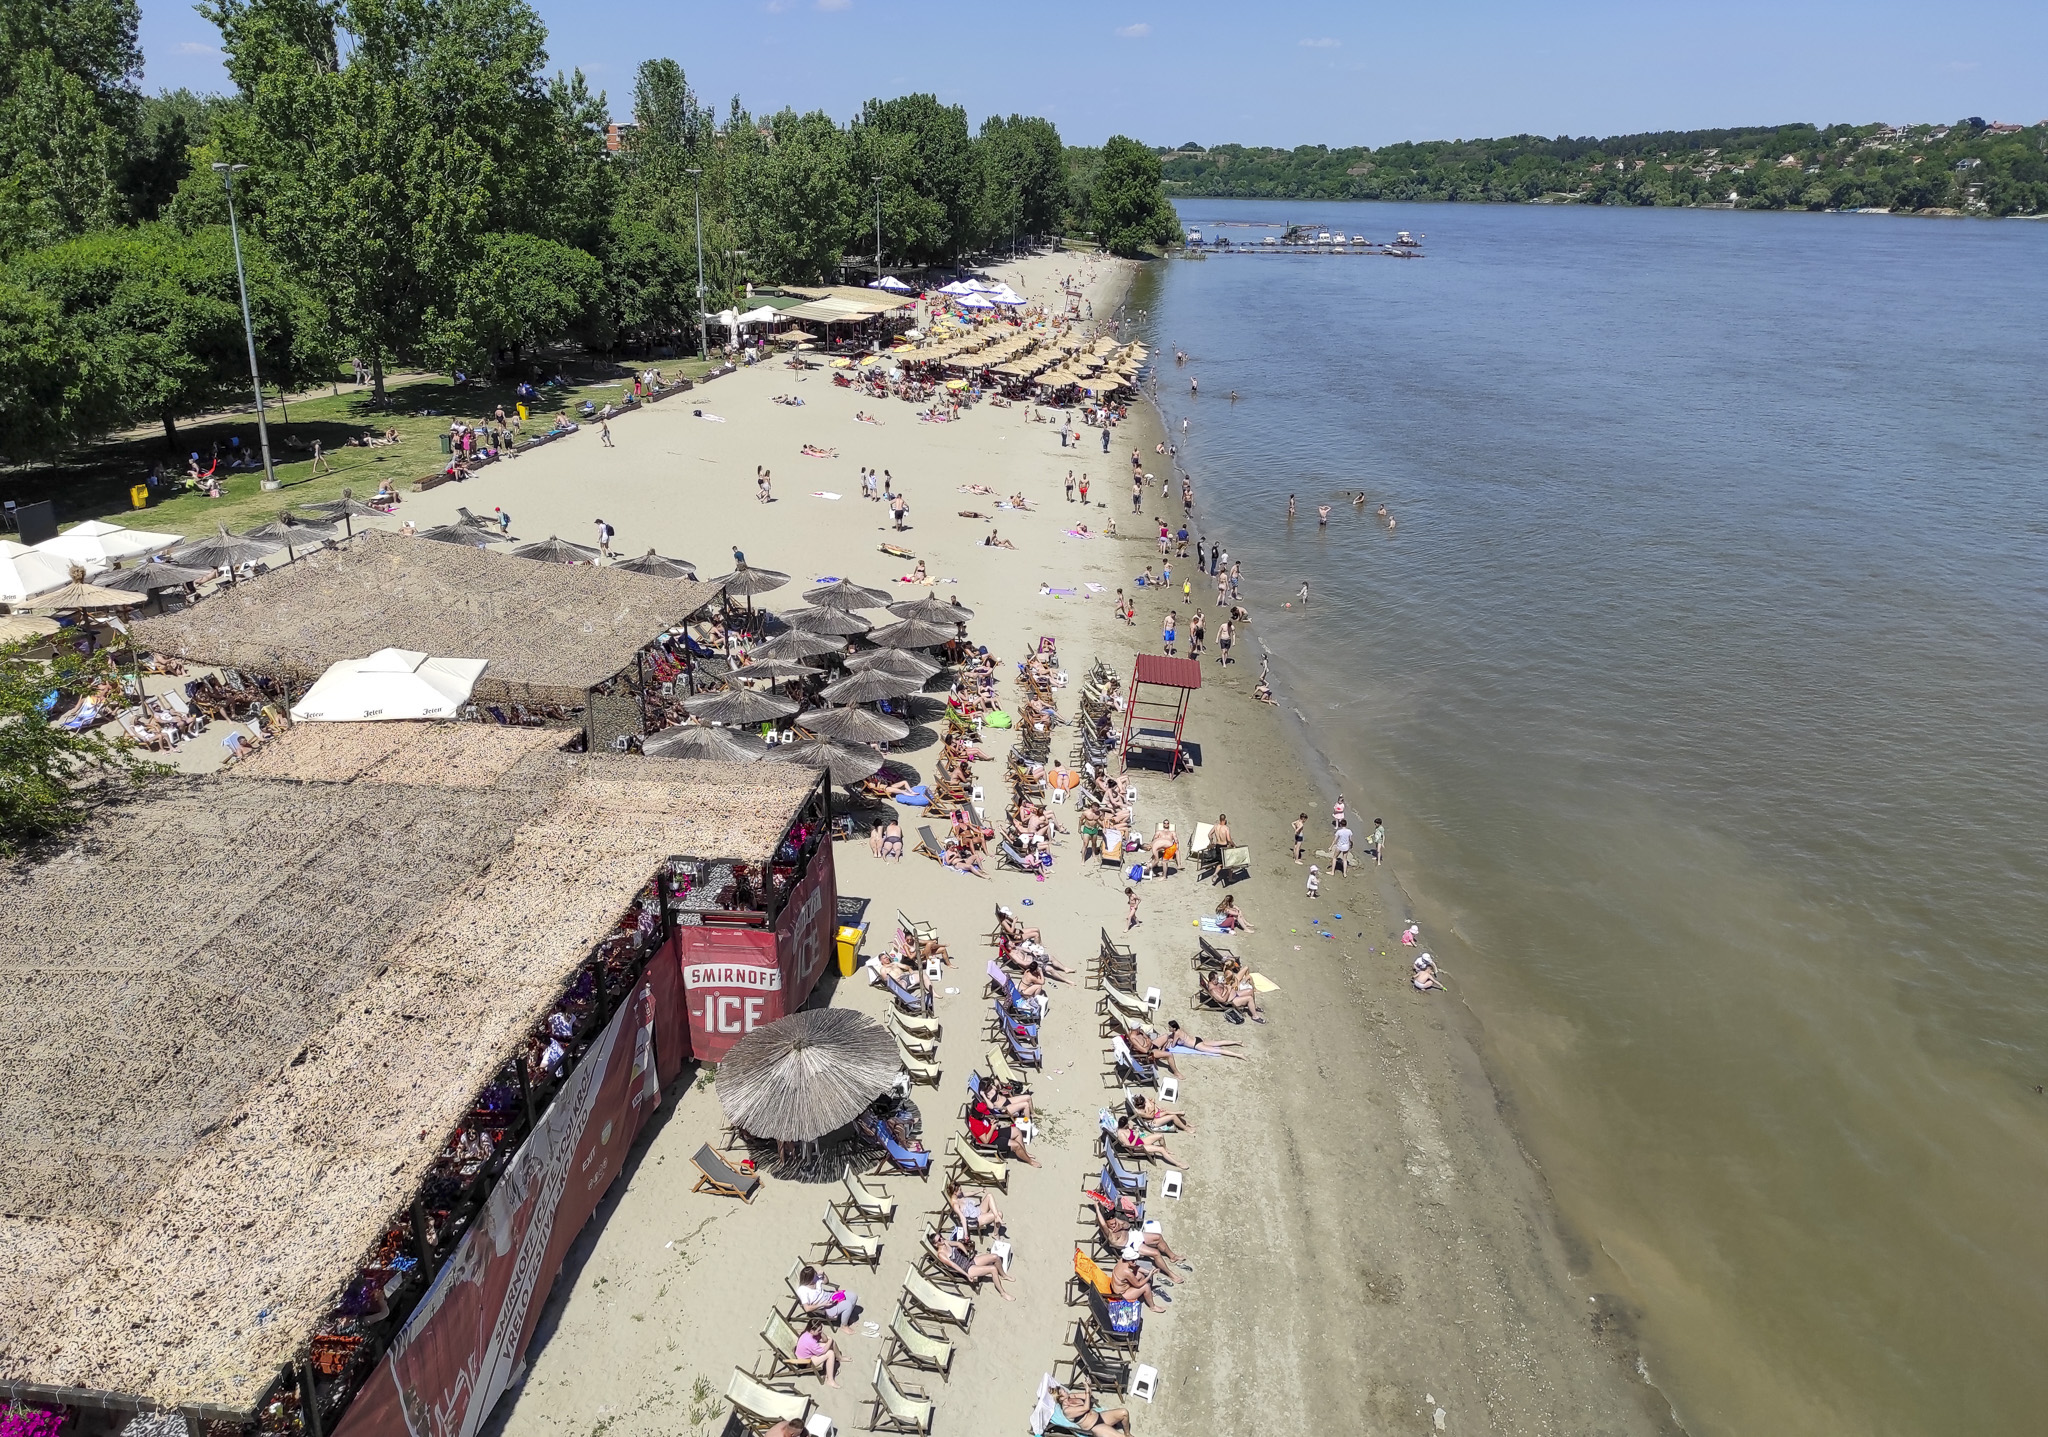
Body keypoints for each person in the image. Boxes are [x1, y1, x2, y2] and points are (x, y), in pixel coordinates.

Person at [932, 1229, 1013, 1298]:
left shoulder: (945, 1242)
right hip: (967, 1269)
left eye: (941, 1237)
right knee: (993, 1269)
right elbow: (954, 1266)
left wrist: (966, 1253)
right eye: (939, 1240)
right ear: (935, 1244)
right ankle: (1003, 1293)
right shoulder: (941, 1255)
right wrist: (967, 1275)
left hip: (969, 1259)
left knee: (995, 1257)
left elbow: (958, 1244)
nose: (942, 1239)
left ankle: (1004, 1275)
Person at [1050, 1377, 1134, 1437]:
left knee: (1124, 1413)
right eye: (1063, 1391)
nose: (1065, 1390)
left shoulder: (1072, 1396)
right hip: (1095, 1427)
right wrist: (1086, 1390)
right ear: (1060, 1398)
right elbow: (1086, 1408)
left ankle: (1127, 1433)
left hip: (1100, 1415)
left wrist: (1088, 1386)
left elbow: (1088, 1395)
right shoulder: (1067, 1410)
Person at [1163, 1018, 1247, 1058]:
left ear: (1174, 1028)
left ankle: (1239, 1055)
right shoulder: (1180, 1030)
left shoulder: (1176, 1034)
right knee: (1218, 1042)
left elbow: (1173, 1046)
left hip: (1197, 1045)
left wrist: (1171, 1040)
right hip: (1197, 1039)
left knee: (1219, 1051)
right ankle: (1237, 1042)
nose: (1168, 1028)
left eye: (1170, 1027)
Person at [793, 1319, 841, 1387]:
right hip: (805, 1362)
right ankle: (830, 1380)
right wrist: (830, 1341)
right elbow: (822, 1351)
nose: (820, 1331)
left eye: (821, 1329)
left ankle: (840, 1357)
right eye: (819, 1330)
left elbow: (825, 1340)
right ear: (812, 1331)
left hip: (805, 1355)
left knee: (829, 1342)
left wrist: (821, 1333)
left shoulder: (807, 1333)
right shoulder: (810, 1341)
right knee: (830, 1353)